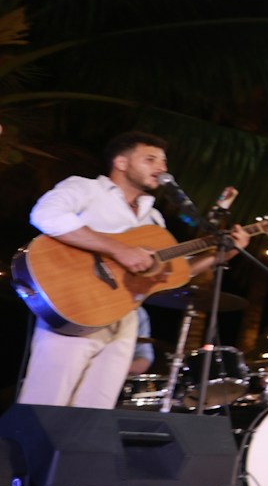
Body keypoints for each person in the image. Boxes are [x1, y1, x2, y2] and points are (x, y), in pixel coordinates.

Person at [18, 132, 250, 409]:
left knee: (95, 411)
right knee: (45, 404)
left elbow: (174, 274)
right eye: (150, 159)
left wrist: (219, 255)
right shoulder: (85, 188)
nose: (161, 168)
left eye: (163, 162)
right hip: (77, 306)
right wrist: (118, 250)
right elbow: (45, 215)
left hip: (125, 317)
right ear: (121, 163)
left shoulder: (153, 217)